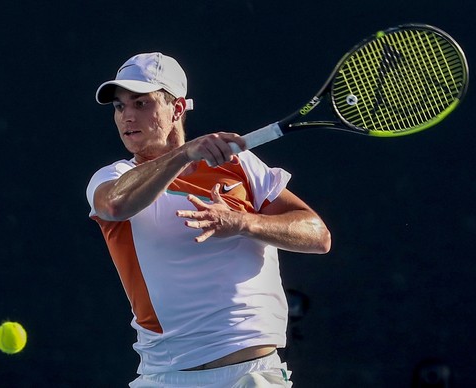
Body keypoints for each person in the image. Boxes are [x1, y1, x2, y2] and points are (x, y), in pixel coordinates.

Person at [86, 52, 331, 387]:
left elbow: (317, 235)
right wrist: (184, 154)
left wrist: (242, 223)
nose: (127, 116)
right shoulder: (114, 176)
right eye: (119, 106)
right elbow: (114, 206)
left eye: (141, 104)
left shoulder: (240, 164)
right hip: (165, 377)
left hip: (252, 375)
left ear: (177, 109)